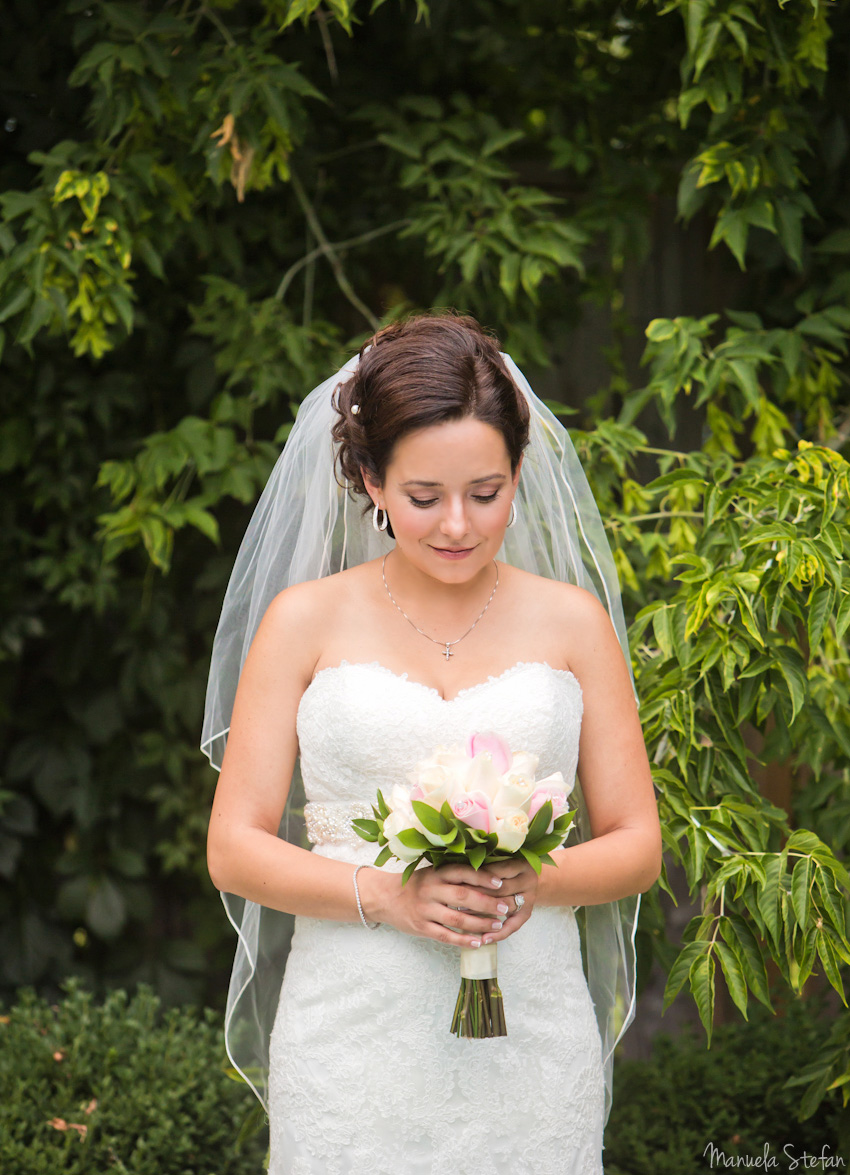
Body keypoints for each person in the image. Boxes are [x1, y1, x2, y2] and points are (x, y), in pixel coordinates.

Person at [203, 313, 661, 1175]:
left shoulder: (573, 621)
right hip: (351, 1034)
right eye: (424, 497)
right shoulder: (303, 621)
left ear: (520, 472)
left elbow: (638, 843)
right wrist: (393, 895)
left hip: (534, 1031)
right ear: (371, 479)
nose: (458, 524)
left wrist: (535, 876)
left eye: (486, 493)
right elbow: (233, 847)